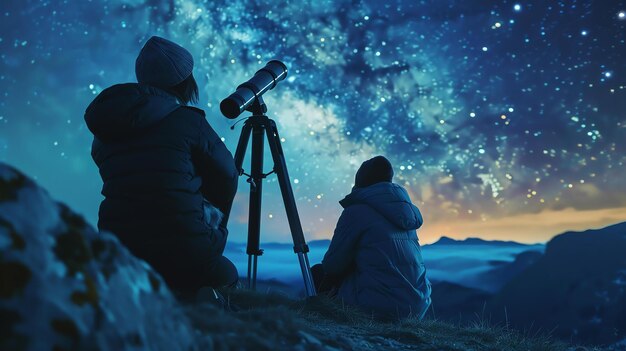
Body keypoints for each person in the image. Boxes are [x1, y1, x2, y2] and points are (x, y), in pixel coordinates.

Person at [84, 36, 239, 297]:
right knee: (226, 274)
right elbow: (227, 174)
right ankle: (203, 302)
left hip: (120, 247)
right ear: (184, 82)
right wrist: (207, 209)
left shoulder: (104, 130)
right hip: (185, 249)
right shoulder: (188, 122)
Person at [312, 156, 431, 320]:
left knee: (317, 273)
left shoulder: (356, 211)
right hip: (417, 306)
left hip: (379, 307)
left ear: (361, 181)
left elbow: (333, 265)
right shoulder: (405, 214)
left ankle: (318, 320)